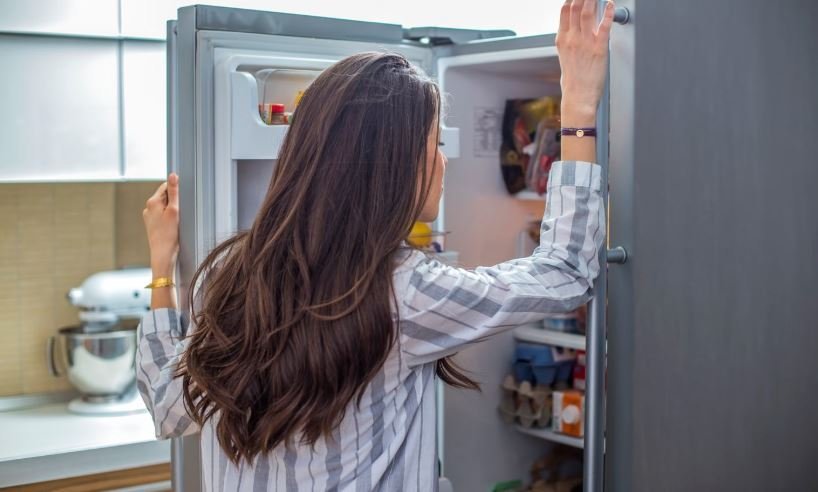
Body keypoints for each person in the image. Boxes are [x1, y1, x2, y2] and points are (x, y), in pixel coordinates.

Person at [137, 0, 614, 489]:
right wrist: (578, 108)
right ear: (395, 168)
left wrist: (160, 268)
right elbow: (566, 272)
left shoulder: (236, 273)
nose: (445, 162)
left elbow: (167, 408)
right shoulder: (403, 291)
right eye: (436, 145)